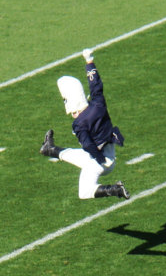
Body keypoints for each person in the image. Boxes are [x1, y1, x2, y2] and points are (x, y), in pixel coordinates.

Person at [40, 48, 130, 200]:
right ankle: (50, 149)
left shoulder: (79, 124)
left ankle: (115, 189)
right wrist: (89, 62)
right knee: (71, 154)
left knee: (84, 192)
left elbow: (88, 146)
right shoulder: (98, 104)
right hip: (110, 157)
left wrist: (98, 159)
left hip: (98, 161)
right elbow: (96, 85)